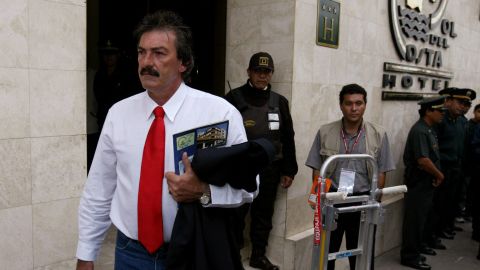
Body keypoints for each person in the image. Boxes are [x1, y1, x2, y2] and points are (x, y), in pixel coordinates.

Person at [76, 10, 257, 270]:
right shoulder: (119, 114)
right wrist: (86, 253)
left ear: (183, 62)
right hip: (130, 254)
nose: (146, 62)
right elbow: (99, 189)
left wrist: (204, 192)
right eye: (141, 52)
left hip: (192, 251)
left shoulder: (219, 114)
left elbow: (251, 187)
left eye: (159, 53)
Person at [305, 84, 395, 270]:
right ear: (341, 105)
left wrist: (374, 202)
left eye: (358, 103)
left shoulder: (378, 134)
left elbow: (382, 172)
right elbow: (317, 168)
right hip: (332, 201)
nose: (354, 108)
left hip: (363, 202)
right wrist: (317, 198)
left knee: (362, 255)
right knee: (326, 253)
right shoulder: (325, 131)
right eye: (348, 103)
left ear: (365, 105)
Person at [225, 52, 298, 270]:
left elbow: (288, 136)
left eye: (266, 72)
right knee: (236, 214)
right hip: (241, 168)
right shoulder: (233, 98)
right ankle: (233, 257)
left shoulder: (280, 102)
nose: (262, 76)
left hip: (270, 169)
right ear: (249, 72)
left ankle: (258, 255)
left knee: (264, 215)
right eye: (258, 71)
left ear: (271, 74)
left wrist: (289, 170)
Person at [400, 96, 447, 270]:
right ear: (428, 111)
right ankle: (410, 256)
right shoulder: (420, 130)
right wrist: (440, 175)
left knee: (423, 219)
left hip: (426, 183)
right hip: (418, 183)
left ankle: (418, 248)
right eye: (439, 111)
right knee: (415, 221)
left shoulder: (429, 129)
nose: (442, 114)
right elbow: (423, 160)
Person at [433, 88, 476, 241]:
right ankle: (437, 231)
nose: (462, 106)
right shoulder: (441, 120)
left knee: (451, 200)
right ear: (449, 101)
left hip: (457, 166)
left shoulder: (461, 121)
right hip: (443, 167)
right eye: (459, 102)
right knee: (440, 201)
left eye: (465, 104)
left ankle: (446, 226)